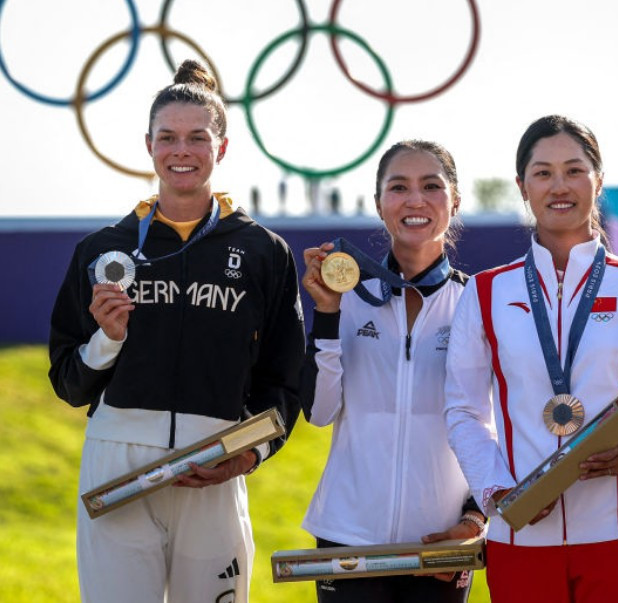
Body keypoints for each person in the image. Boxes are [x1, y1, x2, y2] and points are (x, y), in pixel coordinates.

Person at [48, 60, 304, 603]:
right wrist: (108, 340)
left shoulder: (265, 252)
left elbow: (284, 382)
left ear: (223, 147)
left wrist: (249, 454)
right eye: (167, 138)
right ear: (148, 145)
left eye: (197, 138)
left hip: (212, 463)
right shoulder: (102, 250)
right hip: (116, 463)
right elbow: (68, 383)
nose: (181, 151)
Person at [444, 115, 618, 602]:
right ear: (522, 187)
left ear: (599, 180)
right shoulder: (486, 292)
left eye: (574, 170)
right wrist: (496, 491)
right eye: (543, 173)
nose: (559, 186)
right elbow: (464, 410)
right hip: (523, 535)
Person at [298, 140, 486, 602]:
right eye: (398, 187)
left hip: (441, 541)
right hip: (347, 533)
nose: (415, 200)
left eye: (431, 186)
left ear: (455, 201)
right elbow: (319, 412)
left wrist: (477, 518)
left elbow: (496, 426)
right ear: (379, 202)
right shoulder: (347, 297)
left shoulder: (479, 304)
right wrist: (325, 313)